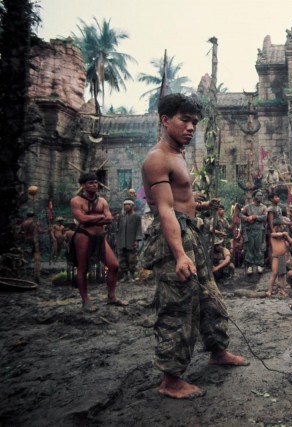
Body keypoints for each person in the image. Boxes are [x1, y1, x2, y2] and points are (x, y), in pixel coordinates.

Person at [141, 93, 247, 400]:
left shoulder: (178, 155)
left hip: (190, 232)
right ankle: (171, 379)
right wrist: (179, 255)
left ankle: (218, 351)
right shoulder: (157, 159)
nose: (190, 127)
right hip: (173, 238)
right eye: (184, 120)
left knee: (209, 298)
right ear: (165, 120)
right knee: (178, 307)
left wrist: (197, 204)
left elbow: (178, 200)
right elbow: (164, 211)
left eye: (194, 122)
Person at [69, 172, 127, 312]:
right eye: (90, 183)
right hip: (84, 236)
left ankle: (111, 297)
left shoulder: (102, 201)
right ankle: (86, 301)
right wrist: (100, 216)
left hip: (100, 237)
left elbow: (109, 219)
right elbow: (82, 219)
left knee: (113, 265)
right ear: (83, 185)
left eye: (95, 182)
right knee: (83, 268)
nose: (94, 185)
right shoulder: (76, 201)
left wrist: (93, 217)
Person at [266, 218, 292, 297]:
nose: (277, 228)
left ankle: (282, 290)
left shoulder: (284, 236)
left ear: (282, 227)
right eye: (275, 227)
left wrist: (287, 236)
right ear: (273, 228)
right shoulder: (273, 235)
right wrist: (283, 234)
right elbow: (276, 234)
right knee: (274, 273)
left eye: (279, 226)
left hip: (282, 257)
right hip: (275, 257)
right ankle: (269, 290)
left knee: (282, 274)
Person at [241, 190, 268, 275]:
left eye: (261, 195)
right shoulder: (248, 206)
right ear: (254, 197)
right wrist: (247, 218)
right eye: (258, 195)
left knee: (259, 247)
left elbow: (265, 217)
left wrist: (255, 217)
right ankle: (249, 265)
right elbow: (241, 215)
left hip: (259, 229)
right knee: (250, 247)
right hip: (250, 229)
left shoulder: (263, 207)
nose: (260, 197)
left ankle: (260, 265)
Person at [116, 199, 143, 282]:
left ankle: (131, 276)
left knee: (132, 259)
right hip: (122, 240)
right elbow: (118, 228)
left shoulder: (137, 217)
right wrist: (117, 239)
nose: (126, 206)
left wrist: (136, 240)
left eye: (128, 204)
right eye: (125, 205)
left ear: (132, 206)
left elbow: (139, 229)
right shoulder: (121, 217)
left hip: (131, 240)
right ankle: (125, 276)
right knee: (122, 259)